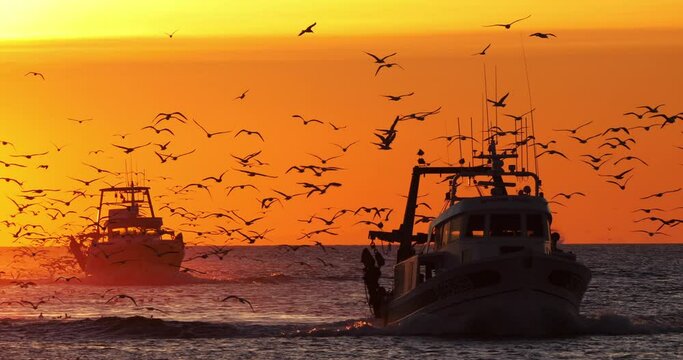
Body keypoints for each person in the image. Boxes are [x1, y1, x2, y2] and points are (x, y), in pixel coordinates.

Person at [361, 245, 385, 317]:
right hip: (374, 294)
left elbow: (372, 283)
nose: (364, 264)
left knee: (377, 311)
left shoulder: (371, 270)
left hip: (375, 295)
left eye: (364, 262)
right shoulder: (371, 270)